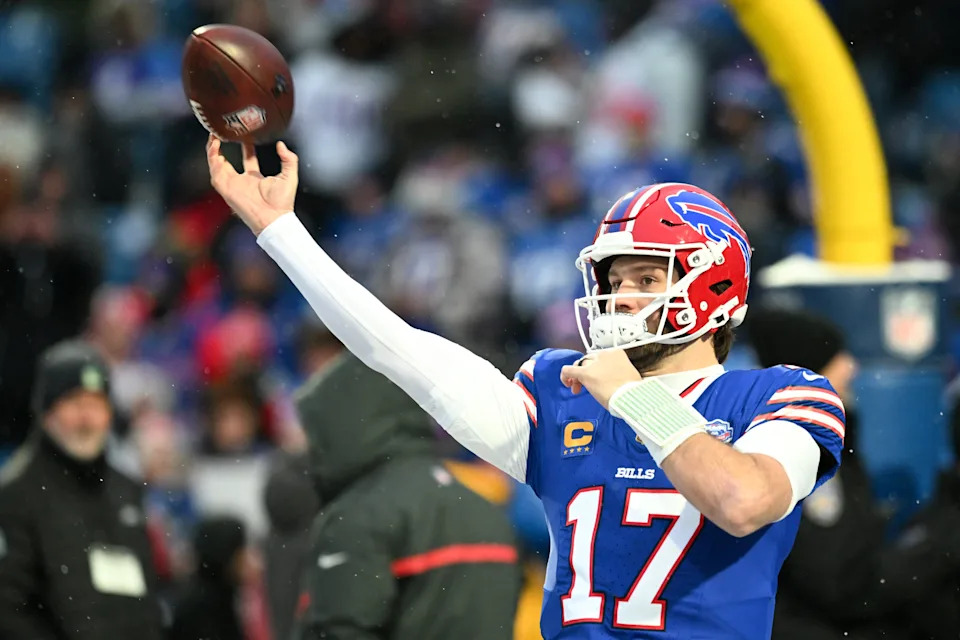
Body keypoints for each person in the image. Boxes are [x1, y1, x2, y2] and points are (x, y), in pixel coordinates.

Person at [206, 136, 845, 638]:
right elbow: (399, 352)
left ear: (714, 286)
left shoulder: (778, 395)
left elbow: (739, 499)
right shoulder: (560, 387)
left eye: (647, 279)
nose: (621, 297)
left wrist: (631, 396)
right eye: (615, 279)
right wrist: (281, 233)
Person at [289, 328, 521, 639]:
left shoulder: (357, 517)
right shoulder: (487, 513)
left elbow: (338, 629)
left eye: (316, 436)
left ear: (339, 428)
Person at [750, 308, 960, 640]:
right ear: (811, 374)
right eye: (837, 357)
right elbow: (839, 582)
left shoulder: (824, 439)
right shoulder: (804, 450)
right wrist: (940, 546)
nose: (852, 366)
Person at [0, 340, 164, 640]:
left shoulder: (126, 490)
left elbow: (147, 600)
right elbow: (8, 608)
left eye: (96, 403)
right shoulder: (15, 494)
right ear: (47, 411)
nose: (86, 418)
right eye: (74, 403)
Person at [169, 516, 249, 640]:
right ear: (225, 557)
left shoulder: (226, 595)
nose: (248, 559)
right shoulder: (200, 608)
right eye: (241, 552)